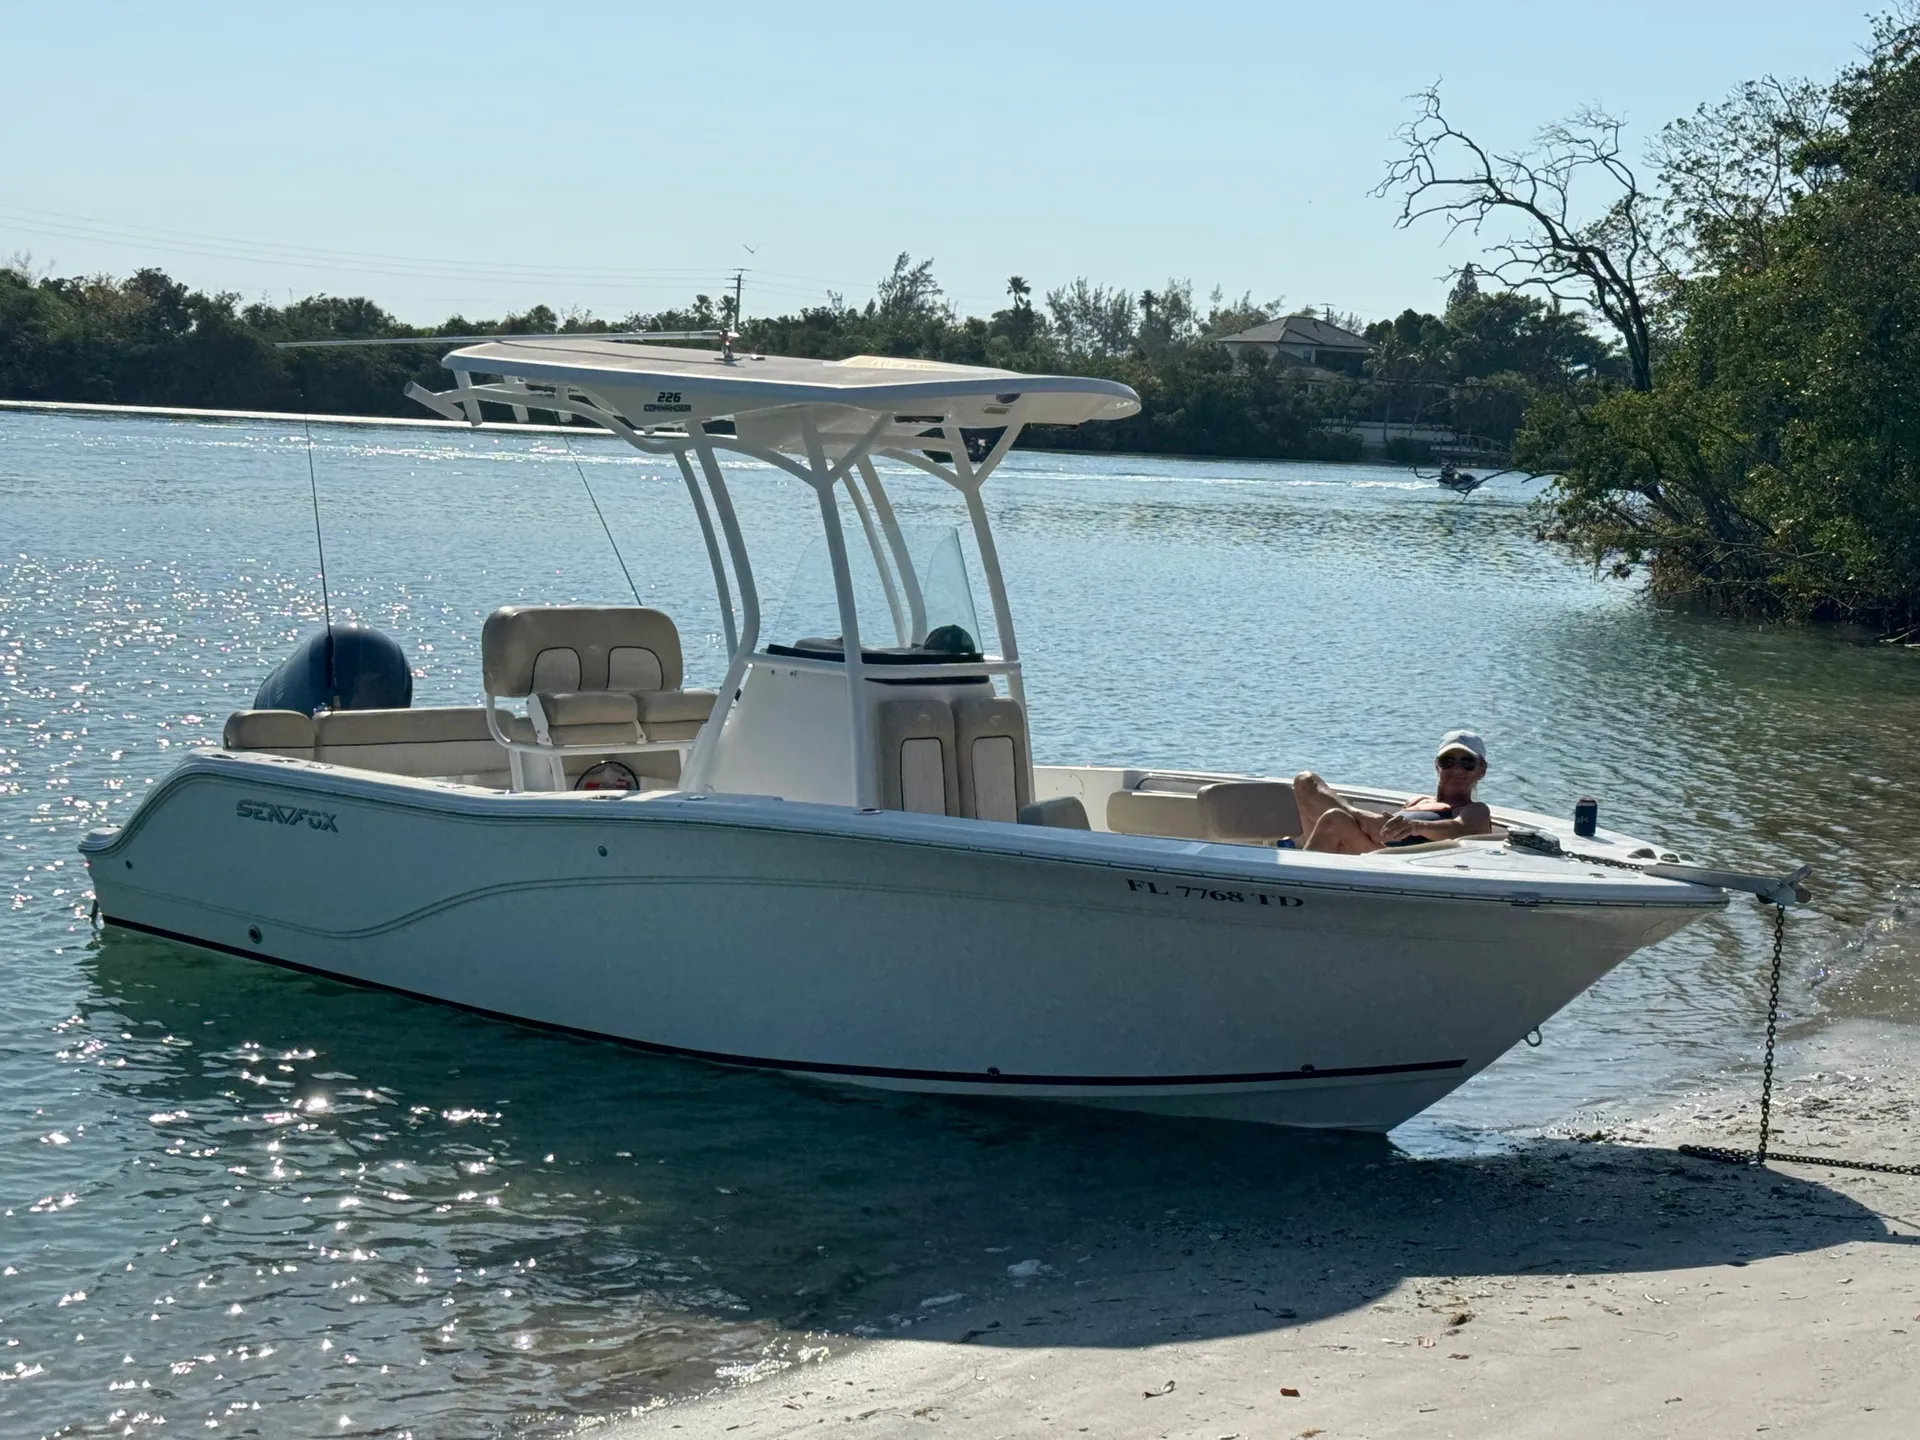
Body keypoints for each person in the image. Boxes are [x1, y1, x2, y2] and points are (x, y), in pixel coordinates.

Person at [1291, 731, 1494, 854]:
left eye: (1467, 763)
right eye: (1448, 762)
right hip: (1364, 842)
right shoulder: (1417, 801)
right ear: (1437, 766)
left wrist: (1414, 826)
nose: (1457, 769)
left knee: (1335, 818)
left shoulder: (1474, 810)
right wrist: (1366, 819)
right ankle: (1359, 816)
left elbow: (1461, 830)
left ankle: (1297, 882)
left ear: (1481, 770)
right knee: (1305, 781)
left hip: (1386, 860)